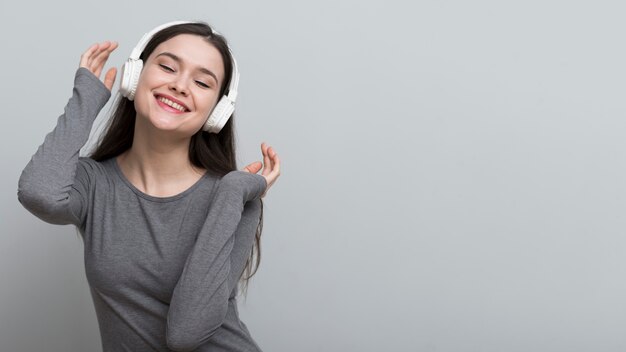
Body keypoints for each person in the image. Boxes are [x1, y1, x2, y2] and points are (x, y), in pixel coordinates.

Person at [17, 20, 280, 352]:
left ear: (218, 112)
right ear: (134, 76)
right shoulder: (93, 183)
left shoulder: (234, 195)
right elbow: (38, 194)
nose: (180, 85)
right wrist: (86, 99)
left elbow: (186, 333)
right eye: (168, 67)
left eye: (201, 82)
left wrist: (231, 193)